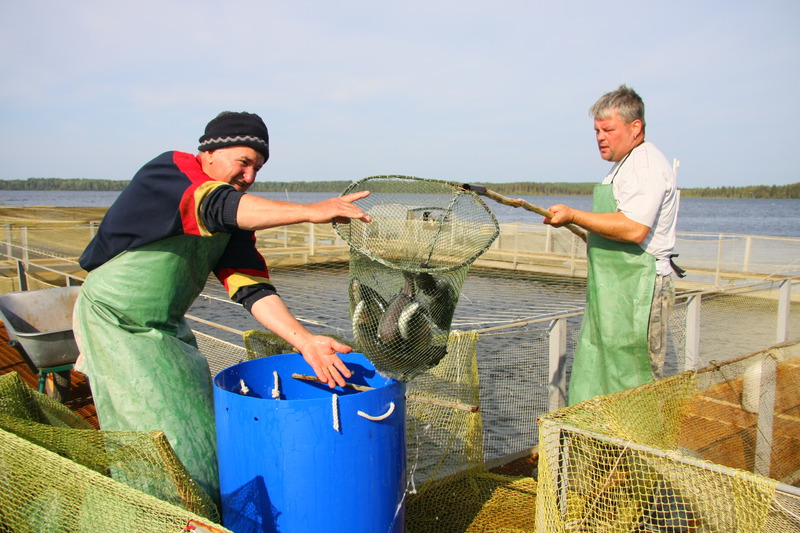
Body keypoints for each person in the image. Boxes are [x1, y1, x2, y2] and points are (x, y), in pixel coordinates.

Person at [72, 111, 371, 503]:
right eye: (244, 162)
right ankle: (164, 515)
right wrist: (311, 210)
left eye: (257, 168)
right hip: (115, 322)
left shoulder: (232, 216)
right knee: (160, 438)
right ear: (209, 153)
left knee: (202, 425)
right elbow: (219, 206)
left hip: (165, 328)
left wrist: (306, 342)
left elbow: (253, 289)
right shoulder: (171, 172)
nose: (249, 176)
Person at [544, 85, 681, 405]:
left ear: (636, 128)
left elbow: (634, 229)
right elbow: (616, 222)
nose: (601, 137)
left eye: (608, 129)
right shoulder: (624, 165)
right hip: (614, 291)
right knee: (605, 374)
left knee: (635, 379)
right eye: (596, 130)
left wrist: (575, 214)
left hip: (639, 291)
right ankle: (605, 446)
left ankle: (636, 451)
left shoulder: (645, 165)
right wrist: (575, 223)